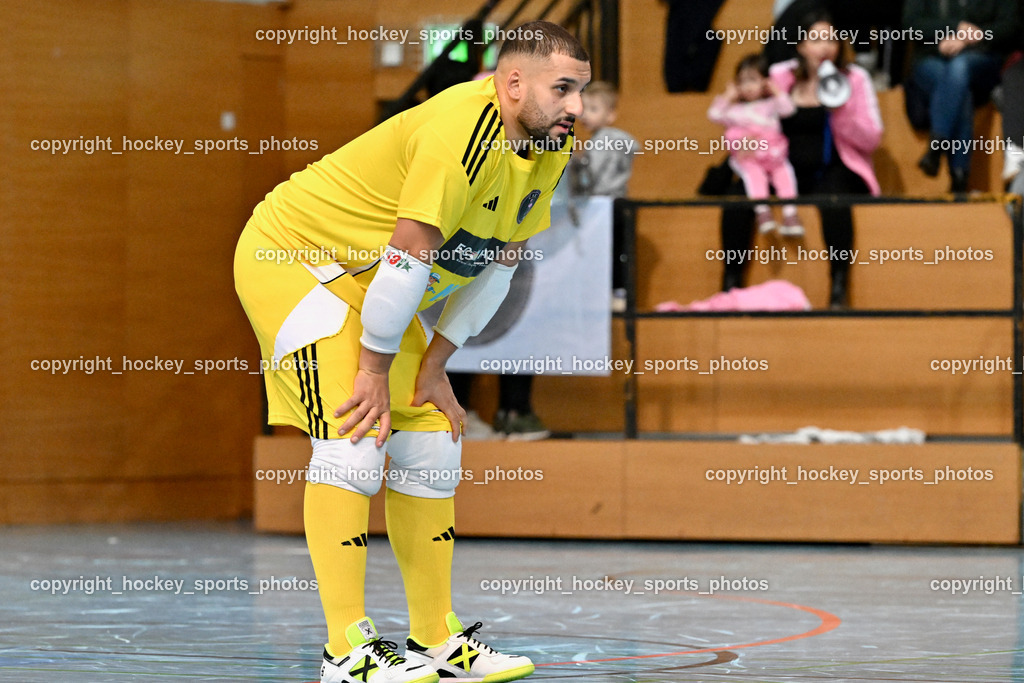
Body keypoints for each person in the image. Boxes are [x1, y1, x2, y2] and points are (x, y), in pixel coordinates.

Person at [233, 21, 590, 683]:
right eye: (563, 88)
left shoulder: (551, 146)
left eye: (581, 90)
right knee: (354, 438)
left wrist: (434, 365)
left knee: (429, 441)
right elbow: (408, 257)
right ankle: (345, 652)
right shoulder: (459, 131)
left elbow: (499, 266)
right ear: (514, 83)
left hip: (372, 280)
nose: (577, 105)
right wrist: (373, 370)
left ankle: (435, 640)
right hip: (297, 260)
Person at [718, 11, 883, 308]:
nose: (825, 47)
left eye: (831, 39)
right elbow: (748, 111)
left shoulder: (855, 79)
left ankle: (838, 286)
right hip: (781, 168)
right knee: (737, 197)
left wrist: (841, 111)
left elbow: (872, 138)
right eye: (816, 39)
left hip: (835, 167)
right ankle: (731, 284)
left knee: (834, 199)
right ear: (801, 46)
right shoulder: (780, 76)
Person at [904, 0, 1017, 192]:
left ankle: (938, 145)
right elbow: (911, 25)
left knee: (958, 69)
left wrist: (973, 37)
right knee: (958, 86)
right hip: (933, 56)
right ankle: (959, 177)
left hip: (981, 57)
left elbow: (1011, 26)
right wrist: (953, 28)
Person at [708, 54, 801, 237]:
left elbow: (789, 110)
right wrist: (728, 96)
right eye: (742, 81)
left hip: (775, 156)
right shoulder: (735, 110)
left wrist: (776, 91)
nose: (748, 86)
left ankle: (790, 215)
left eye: (753, 80)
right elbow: (714, 114)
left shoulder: (771, 104)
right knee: (755, 178)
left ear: (765, 82)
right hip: (750, 158)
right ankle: (763, 213)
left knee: (786, 177)